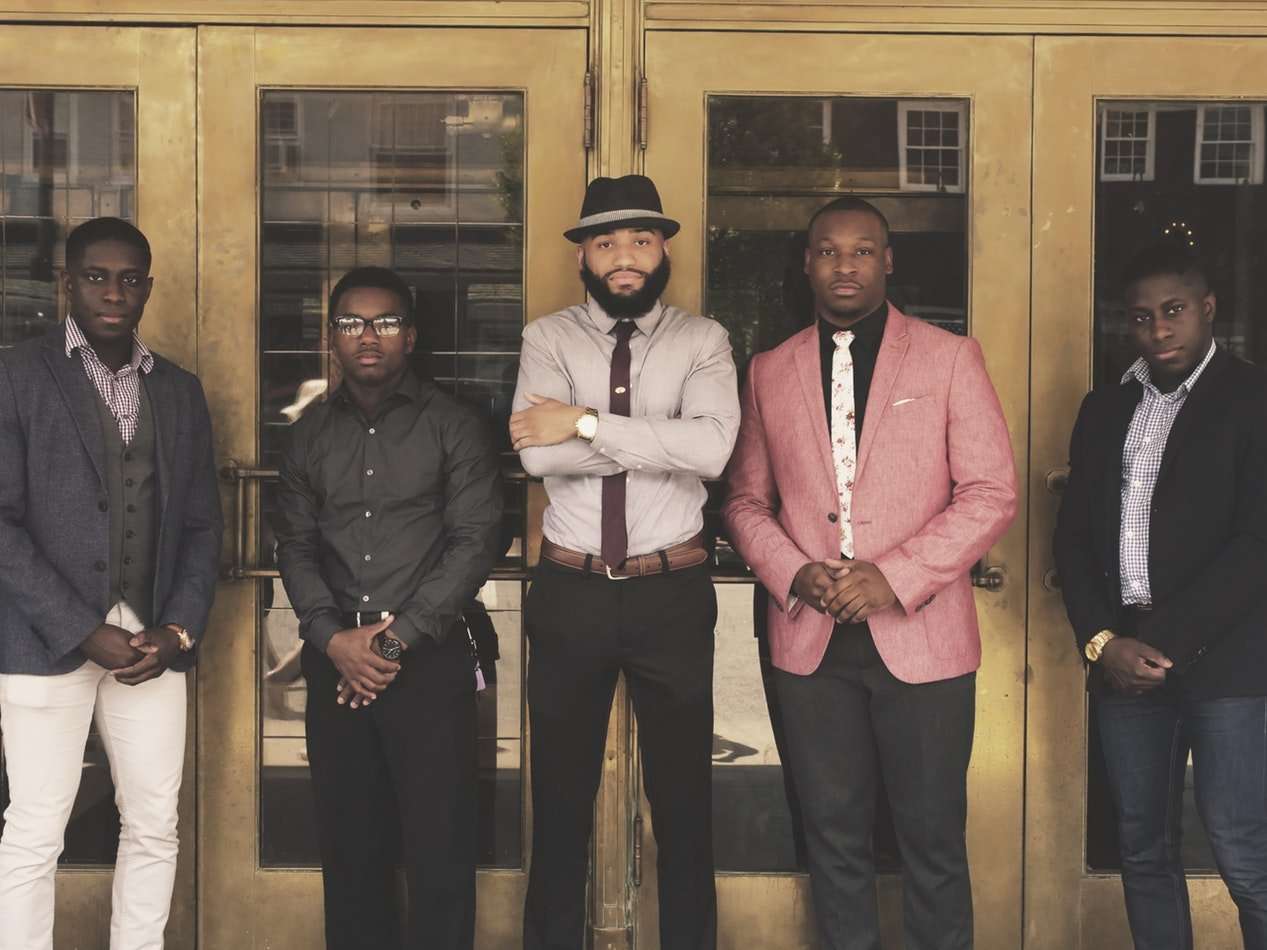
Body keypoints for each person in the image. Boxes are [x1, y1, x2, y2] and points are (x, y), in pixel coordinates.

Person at [722, 196, 1017, 950]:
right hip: (809, 645)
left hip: (922, 640)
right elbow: (746, 502)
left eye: (861, 251)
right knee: (833, 840)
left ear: (887, 262)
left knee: (930, 843)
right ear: (807, 262)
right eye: (828, 250)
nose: (844, 264)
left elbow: (991, 490)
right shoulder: (767, 370)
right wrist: (793, 572)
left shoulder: (949, 358)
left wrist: (895, 575)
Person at [509, 174, 739, 950]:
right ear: (583, 256)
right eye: (605, 242)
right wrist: (653, 440)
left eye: (639, 239)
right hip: (570, 588)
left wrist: (580, 422)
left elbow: (711, 452)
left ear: (663, 248)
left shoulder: (701, 340)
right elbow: (539, 463)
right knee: (561, 800)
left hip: (669, 591)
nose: (623, 256)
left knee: (683, 802)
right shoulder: (546, 338)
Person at [0, 217, 221, 950]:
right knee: (35, 828)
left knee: (155, 822)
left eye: (129, 278)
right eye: (96, 276)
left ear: (148, 287)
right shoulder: (16, 375)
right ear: (66, 283)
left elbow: (199, 526)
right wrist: (80, 628)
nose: (114, 292)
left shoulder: (180, 391)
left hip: (150, 645)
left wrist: (178, 629)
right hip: (43, 646)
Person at [272, 265, 503, 950]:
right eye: (351, 322)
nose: (367, 336)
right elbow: (294, 543)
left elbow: (472, 544)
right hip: (335, 664)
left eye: (384, 321)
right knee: (348, 849)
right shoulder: (309, 434)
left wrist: (393, 643)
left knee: (439, 850)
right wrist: (330, 639)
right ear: (331, 337)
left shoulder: (453, 427)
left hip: (427, 663)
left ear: (410, 334)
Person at [1054, 244, 1267, 950]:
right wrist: (1102, 643)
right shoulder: (1104, 407)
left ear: (1206, 309)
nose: (1157, 330)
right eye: (1140, 317)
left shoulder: (1251, 399)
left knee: (1242, 852)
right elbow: (1073, 541)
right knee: (1142, 850)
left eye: (1172, 311)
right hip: (1122, 662)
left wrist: (1165, 642)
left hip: (1227, 664)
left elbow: (1255, 546)